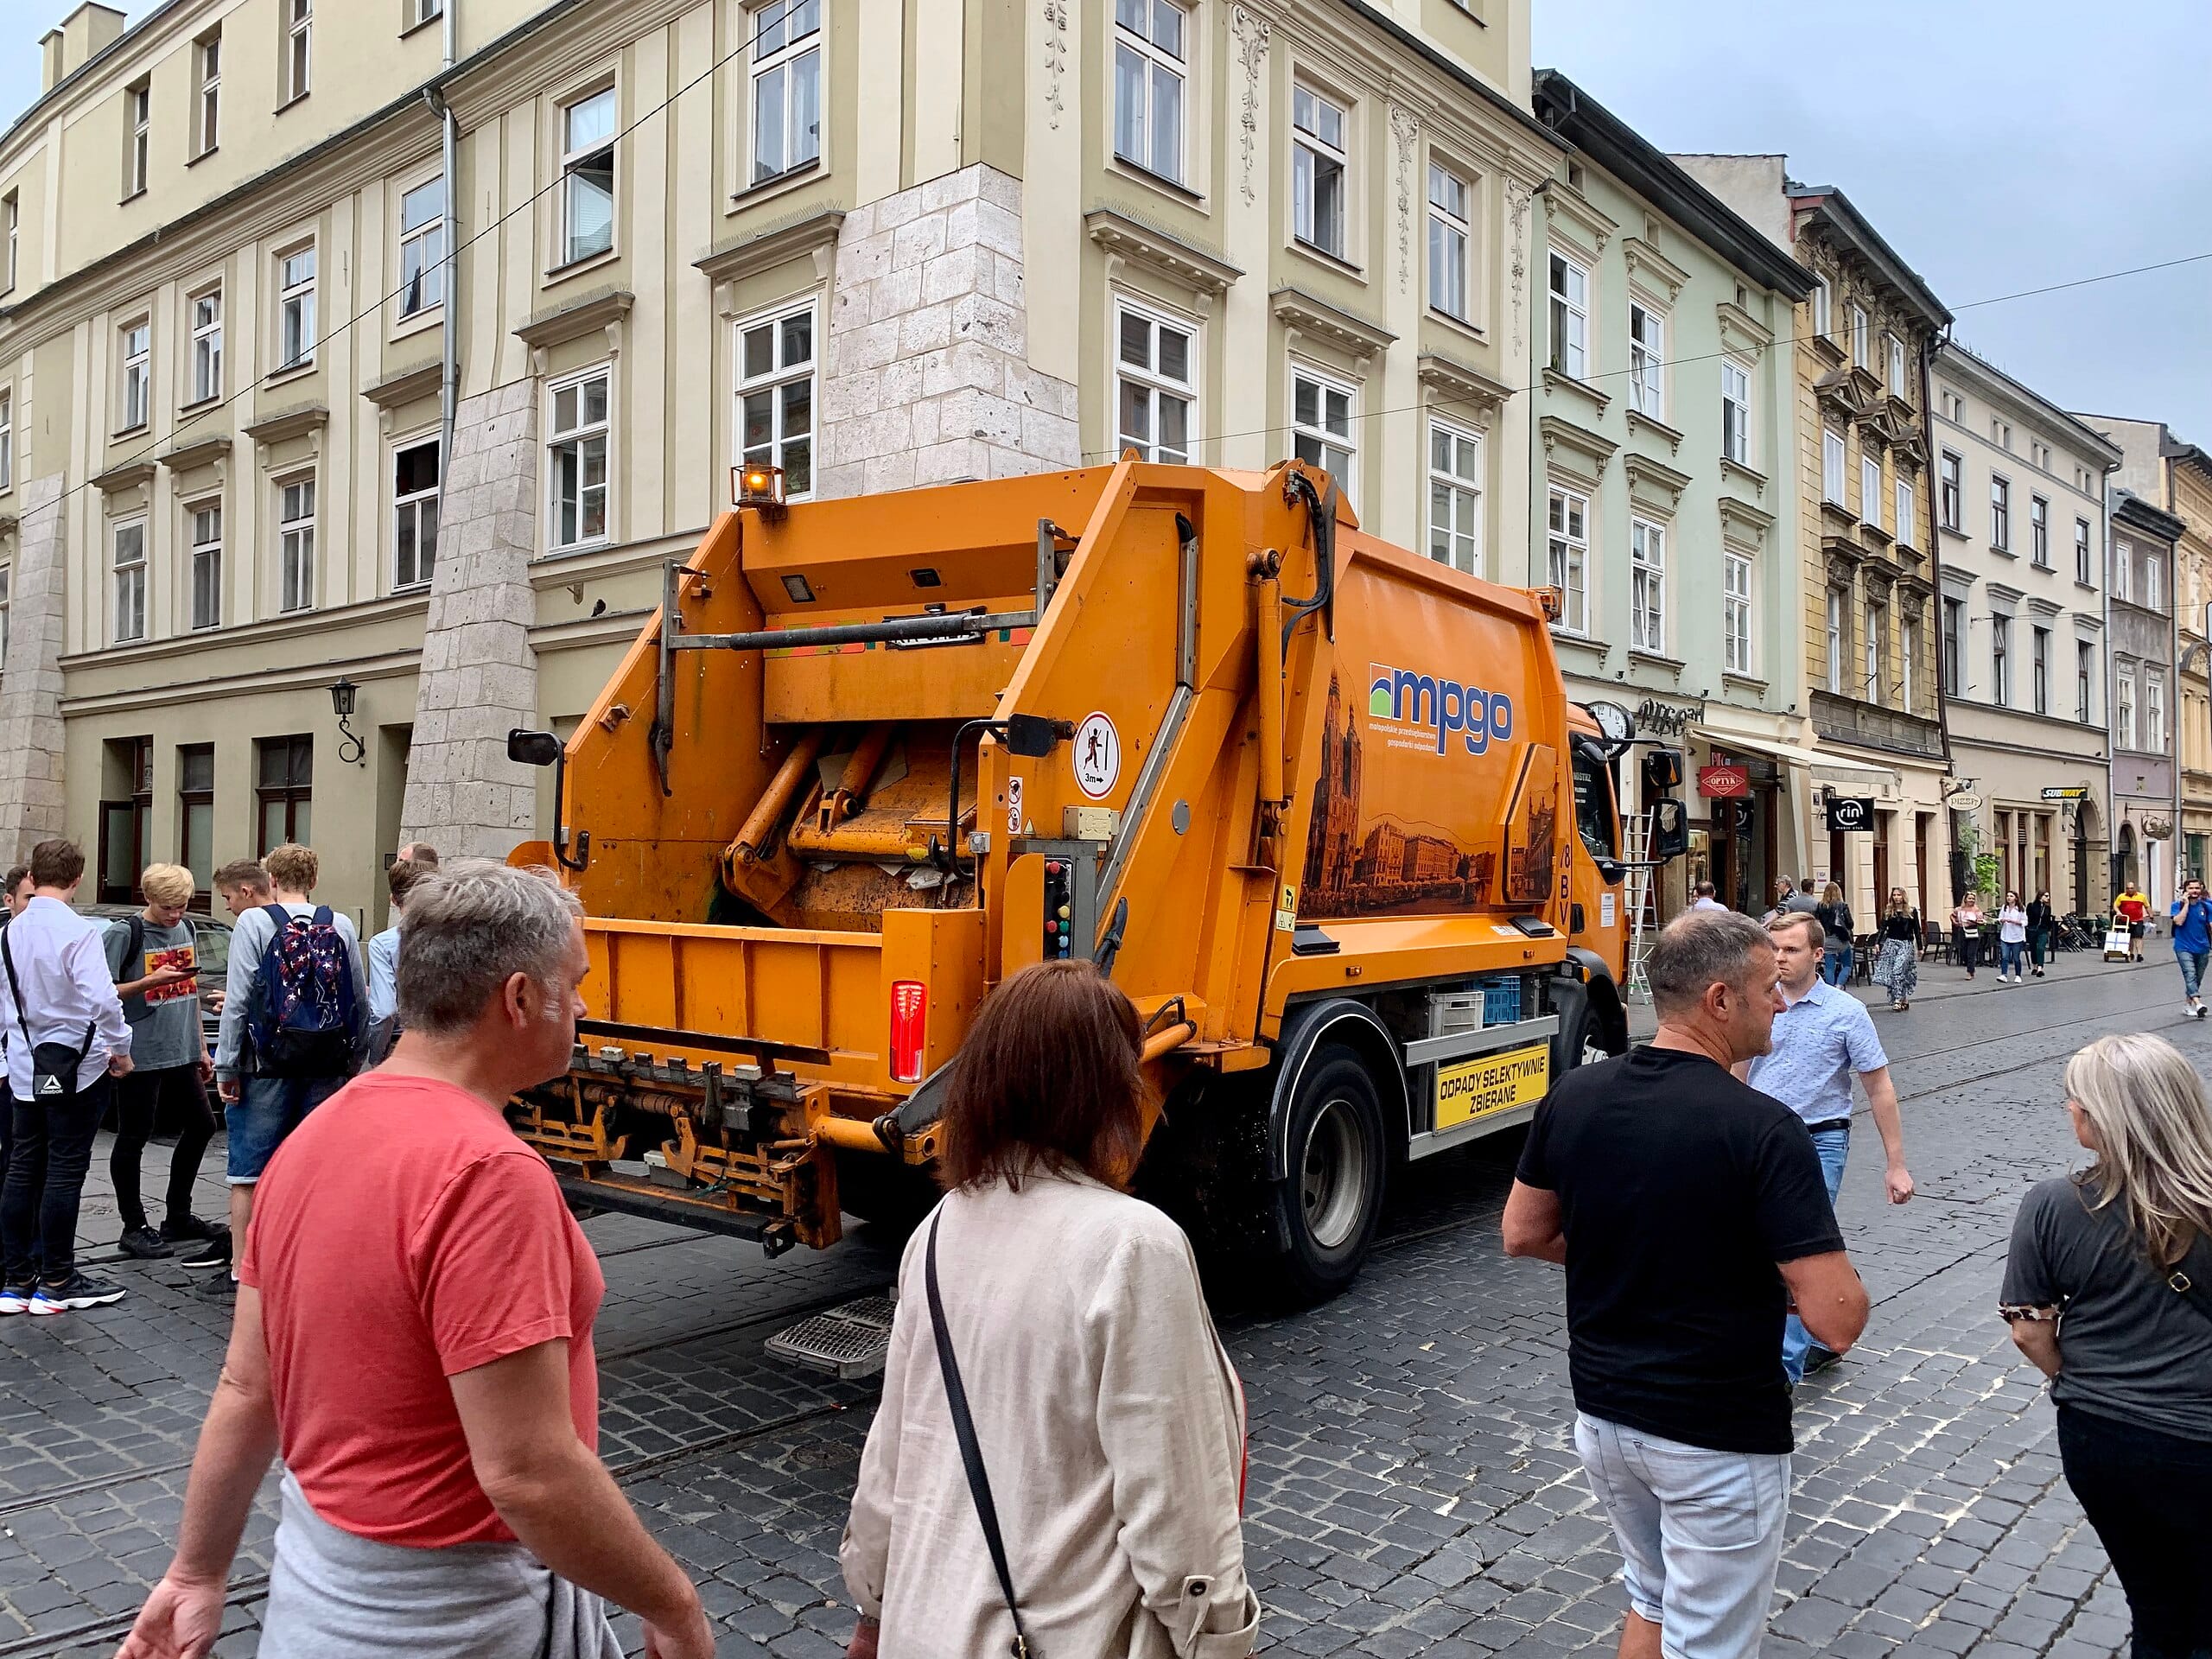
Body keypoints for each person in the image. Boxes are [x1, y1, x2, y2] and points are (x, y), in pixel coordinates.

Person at [118, 861, 715, 1659]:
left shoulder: (315, 1136)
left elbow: (247, 1384)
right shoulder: (490, 1175)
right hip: (454, 1619)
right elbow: (528, 1472)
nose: (581, 1007)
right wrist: (674, 1605)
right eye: (572, 984)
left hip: (318, 1599)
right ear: (519, 999)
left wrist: (197, 1573)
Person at [841, 960, 1258, 1659]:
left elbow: (893, 1455)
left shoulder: (939, 1229)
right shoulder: (1134, 1248)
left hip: (927, 1629)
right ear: (1103, 1095)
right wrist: (1221, 1641)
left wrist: (872, 1612)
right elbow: (1178, 1508)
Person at [1503, 912, 1867, 1659]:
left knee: (1651, 1597)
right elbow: (1837, 1322)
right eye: (1770, 988)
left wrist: (1640, 1253)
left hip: (1604, 1420)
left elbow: (1524, 1231)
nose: (1783, 1002)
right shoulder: (1766, 1129)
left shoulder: (1574, 1094)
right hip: (1715, 1434)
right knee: (1709, 1643)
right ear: (1719, 1000)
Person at [2000, 1033, 2212, 1658]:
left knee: (2155, 1607)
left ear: (2101, 1117)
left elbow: (2029, 1329)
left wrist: (2086, 1376)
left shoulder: (2052, 1206)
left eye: (2076, 1100)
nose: (2070, 1109)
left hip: (2107, 1437)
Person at [1746, 913, 1915, 1383]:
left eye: (1792, 949)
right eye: (1774, 949)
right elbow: (1736, 1073)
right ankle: (1829, 1316)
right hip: (1759, 1141)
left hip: (1819, 1139)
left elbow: (1879, 1088)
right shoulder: (1757, 1004)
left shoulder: (1845, 1012)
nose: (1780, 958)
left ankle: (1784, 1367)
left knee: (1799, 1246)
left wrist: (1895, 1165)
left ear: (1818, 955)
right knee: (1763, 1244)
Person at [209, 847, 366, 1297]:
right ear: (313, 880)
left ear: (271, 880)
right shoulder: (341, 924)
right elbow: (360, 1000)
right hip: (326, 1064)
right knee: (318, 1167)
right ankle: (312, 1263)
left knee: (249, 1172)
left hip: (267, 1065)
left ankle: (244, 1269)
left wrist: (226, 1066)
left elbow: (239, 1000)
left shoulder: (255, 923)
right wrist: (355, 1064)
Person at [0, 840, 134, 1317]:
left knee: (22, 1166)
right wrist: (121, 1048)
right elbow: (101, 1000)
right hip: (77, 1063)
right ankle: (58, 1279)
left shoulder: (10, 930)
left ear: (33, 876)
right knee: (64, 1169)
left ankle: (16, 1279)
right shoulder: (78, 931)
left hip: (24, 1063)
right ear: (77, 878)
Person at [103, 863, 227, 1267]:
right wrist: (146, 984)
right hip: (139, 1053)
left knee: (204, 1124)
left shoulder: (187, 931)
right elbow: (102, 994)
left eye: (182, 905)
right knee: (135, 1135)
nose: (176, 914)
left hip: (180, 1051)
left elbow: (189, 993)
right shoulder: (125, 934)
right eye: (168, 907)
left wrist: (201, 1049)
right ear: (148, 898)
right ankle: (133, 1226)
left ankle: (177, 1216)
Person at [364, 856, 433, 1068]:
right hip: (447, 1045)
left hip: (402, 1045)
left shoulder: (383, 945)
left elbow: (385, 1011)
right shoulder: (453, 939)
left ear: (393, 899)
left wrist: (376, 1056)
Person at [1871, 888, 1922, 1012]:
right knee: (1893, 973)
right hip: (1891, 944)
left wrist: (1920, 947)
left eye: (1899, 895)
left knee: (1899, 969)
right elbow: (1882, 928)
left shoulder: (1911, 911)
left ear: (1903, 896)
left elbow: (1917, 930)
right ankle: (1903, 998)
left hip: (1906, 943)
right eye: (1894, 895)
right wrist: (1877, 943)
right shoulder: (1889, 911)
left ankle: (1897, 1000)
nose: (1896, 897)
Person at [2168, 879, 2210, 1020]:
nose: (2194, 891)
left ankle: (2188, 1005)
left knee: (2197, 978)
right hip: (2183, 947)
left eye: (2197, 888)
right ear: (2185, 890)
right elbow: (2179, 921)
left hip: (2203, 947)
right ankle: (2198, 1004)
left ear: (2201, 890)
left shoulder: (2206, 906)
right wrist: (2186, 905)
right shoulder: (2177, 905)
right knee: (2190, 974)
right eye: (2191, 888)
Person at [1814, 881, 1856, 987]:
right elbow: (1850, 923)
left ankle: (1830, 988)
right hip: (1841, 939)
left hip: (1827, 940)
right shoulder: (1842, 906)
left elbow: (1816, 922)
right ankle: (1839, 985)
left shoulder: (1820, 906)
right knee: (1847, 965)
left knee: (1829, 968)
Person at [1997, 890, 2030, 983]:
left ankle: (2018, 975)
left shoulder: (2020, 908)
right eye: (2007, 896)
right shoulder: (2004, 907)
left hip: (2017, 937)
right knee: (2005, 956)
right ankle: (2004, 974)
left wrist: (2015, 922)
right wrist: (2001, 920)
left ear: (2015, 898)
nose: (2009, 898)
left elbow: (2025, 922)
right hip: (2005, 935)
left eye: (2011, 896)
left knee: (2016, 957)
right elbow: (2000, 918)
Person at [1952, 892, 1986, 979]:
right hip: (1962, 931)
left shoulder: (1977, 910)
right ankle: (1971, 968)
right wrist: (1954, 922)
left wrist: (1979, 922)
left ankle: (1970, 972)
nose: (1971, 900)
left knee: (1971, 953)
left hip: (1973, 931)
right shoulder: (1959, 909)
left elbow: (1981, 921)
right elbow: (1952, 915)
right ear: (1965, 899)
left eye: (1973, 899)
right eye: (1969, 898)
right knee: (1963, 952)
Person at [2115, 882, 2151, 963]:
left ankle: (2139, 954)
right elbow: (2115, 905)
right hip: (2126, 920)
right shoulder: (2121, 897)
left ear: (2135, 888)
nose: (2129, 890)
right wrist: (2118, 912)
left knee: (2138, 937)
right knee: (2129, 938)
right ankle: (2130, 953)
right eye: (2128, 888)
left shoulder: (2141, 896)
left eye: (2131, 888)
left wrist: (2151, 915)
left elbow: (2147, 906)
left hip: (2138, 920)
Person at [2026, 890, 2056, 979]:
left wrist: (2049, 929)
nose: (2048, 898)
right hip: (2032, 929)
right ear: (2040, 896)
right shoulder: (2031, 906)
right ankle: (2035, 965)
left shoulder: (2047, 908)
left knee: (2041, 948)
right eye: (2046, 896)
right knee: (2033, 948)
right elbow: (2028, 917)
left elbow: (2048, 920)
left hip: (2043, 930)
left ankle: (2040, 968)